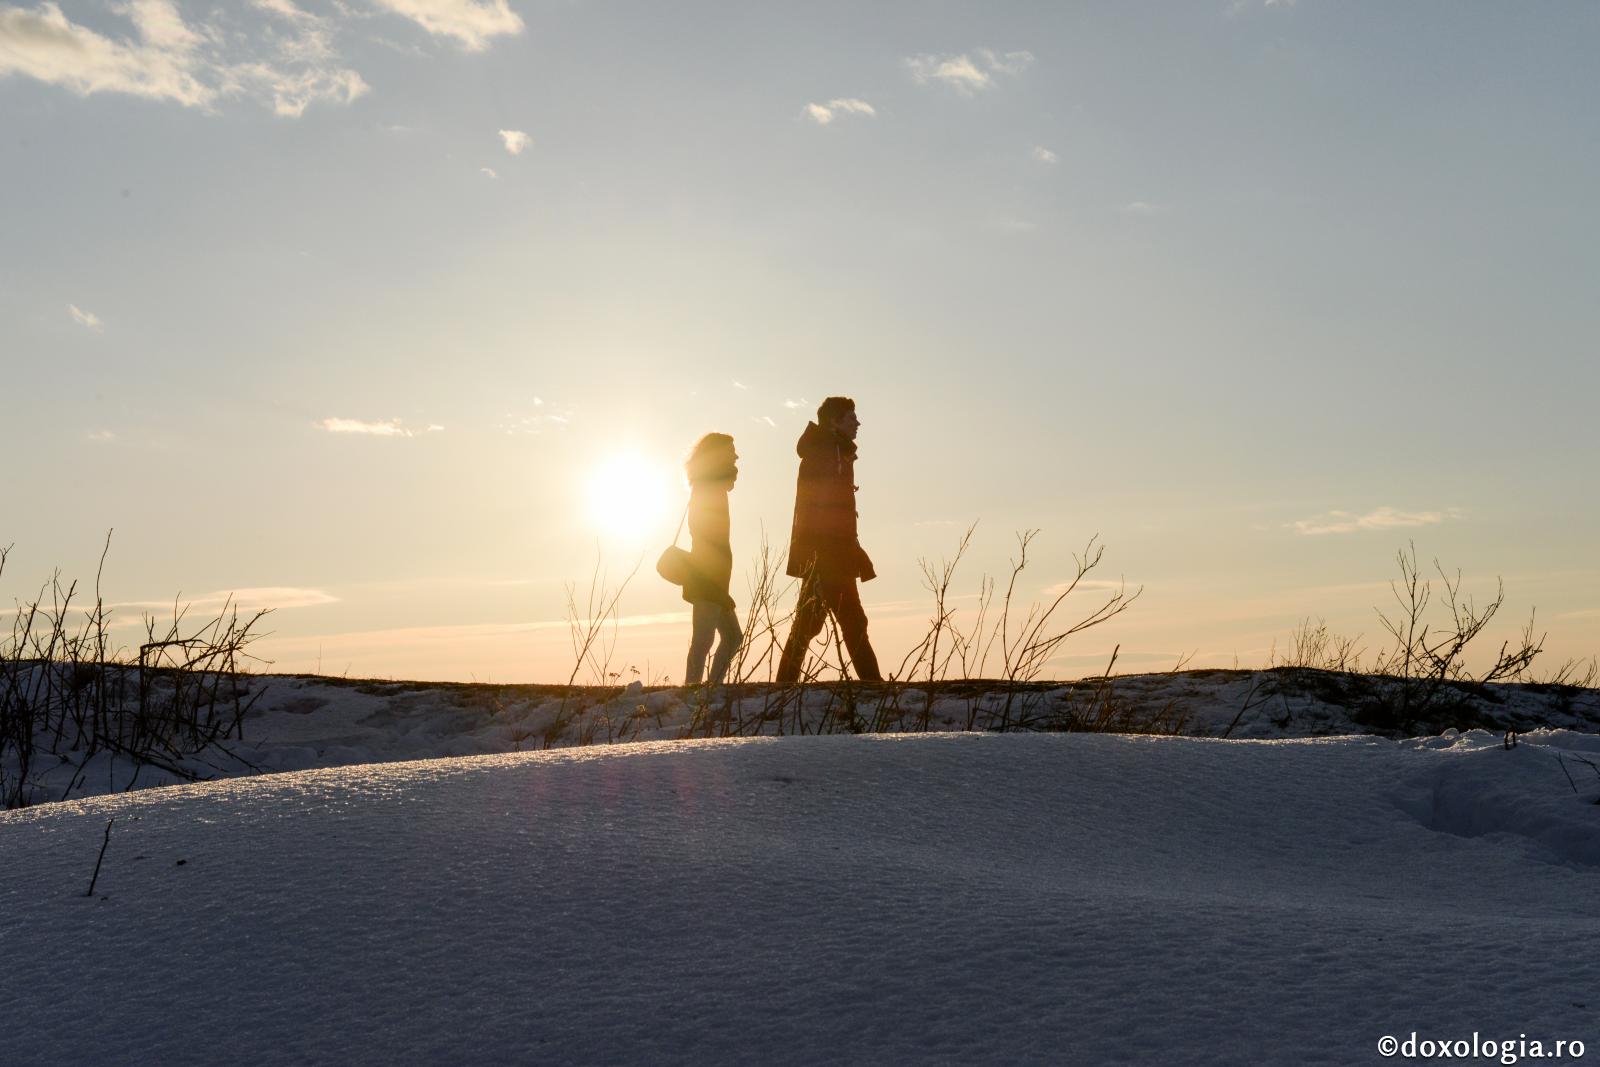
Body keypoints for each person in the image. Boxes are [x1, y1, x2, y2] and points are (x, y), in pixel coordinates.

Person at [776, 397, 882, 684]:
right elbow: (818, 509)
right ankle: (874, 686)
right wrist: (822, 557)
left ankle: (783, 685)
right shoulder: (826, 453)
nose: (857, 423)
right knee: (852, 623)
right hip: (829, 556)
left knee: (809, 625)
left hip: (832, 554)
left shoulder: (834, 452)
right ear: (834, 422)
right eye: (851, 418)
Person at [681, 433, 744, 687]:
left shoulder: (712, 486)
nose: (735, 456)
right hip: (707, 576)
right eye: (730, 451)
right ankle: (693, 690)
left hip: (714, 577)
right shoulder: (707, 487)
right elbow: (702, 533)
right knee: (704, 639)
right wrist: (711, 577)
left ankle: (710, 688)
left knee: (731, 637)